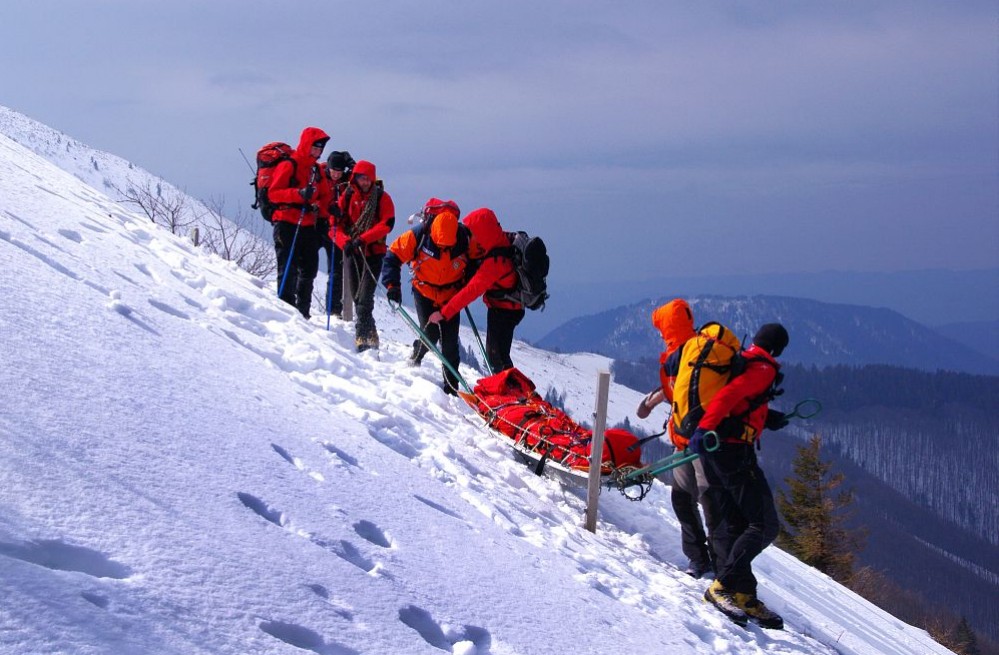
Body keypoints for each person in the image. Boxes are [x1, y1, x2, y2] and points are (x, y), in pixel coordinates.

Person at [689, 322, 790, 629]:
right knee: (765, 524)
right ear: (777, 348)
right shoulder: (763, 369)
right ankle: (723, 586)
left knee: (740, 523)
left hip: (721, 450)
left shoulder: (745, 360)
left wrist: (765, 417)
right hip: (733, 452)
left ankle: (744, 593)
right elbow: (730, 395)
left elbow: (742, 401)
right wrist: (705, 428)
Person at [636, 299, 718, 579]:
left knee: (700, 501)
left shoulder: (688, 353)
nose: (659, 333)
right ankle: (708, 560)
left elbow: (679, 390)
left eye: (661, 327)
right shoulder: (691, 350)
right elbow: (676, 391)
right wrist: (651, 401)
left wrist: (650, 402)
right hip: (692, 439)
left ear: (668, 327)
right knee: (694, 500)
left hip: (697, 441)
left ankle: (709, 562)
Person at [381, 198, 469, 394]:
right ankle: (416, 356)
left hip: (450, 295)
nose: (444, 249)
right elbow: (393, 256)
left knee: (450, 344)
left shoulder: (464, 239)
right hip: (424, 291)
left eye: (448, 247)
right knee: (430, 334)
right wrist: (392, 284)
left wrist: (467, 286)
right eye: (440, 246)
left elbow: (474, 265)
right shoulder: (419, 234)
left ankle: (451, 388)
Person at [427, 208, 522, 373]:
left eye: (474, 231)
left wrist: (443, 313)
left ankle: (506, 392)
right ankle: (508, 389)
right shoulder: (502, 239)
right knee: (500, 354)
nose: (471, 236)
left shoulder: (495, 263)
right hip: (511, 308)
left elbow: (471, 291)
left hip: (503, 311)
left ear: (483, 232)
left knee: (496, 357)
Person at [266, 127, 332, 319]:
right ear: (307, 144)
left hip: (307, 224)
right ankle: (286, 309)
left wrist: (327, 210)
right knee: (288, 267)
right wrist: (298, 195)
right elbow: (273, 193)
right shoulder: (289, 165)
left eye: (321, 147)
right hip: (286, 222)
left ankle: (303, 312)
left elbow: (324, 196)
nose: (319, 151)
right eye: (316, 146)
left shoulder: (316, 171)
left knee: (310, 268)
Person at [331, 160, 395, 352]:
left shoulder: (382, 198)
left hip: (373, 253)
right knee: (358, 296)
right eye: (362, 178)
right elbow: (334, 225)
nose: (365, 182)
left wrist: (363, 239)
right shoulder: (348, 196)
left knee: (365, 296)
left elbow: (387, 224)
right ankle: (372, 332)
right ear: (355, 178)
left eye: (368, 178)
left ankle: (361, 336)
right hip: (352, 252)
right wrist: (345, 242)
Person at [321, 150, 355, 319]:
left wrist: (350, 162)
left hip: (336, 230)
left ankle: (333, 310)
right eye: (334, 170)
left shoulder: (346, 181)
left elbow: (360, 175)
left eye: (340, 172)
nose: (336, 174)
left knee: (336, 270)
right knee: (306, 268)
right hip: (317, 225)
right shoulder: (319, 174)